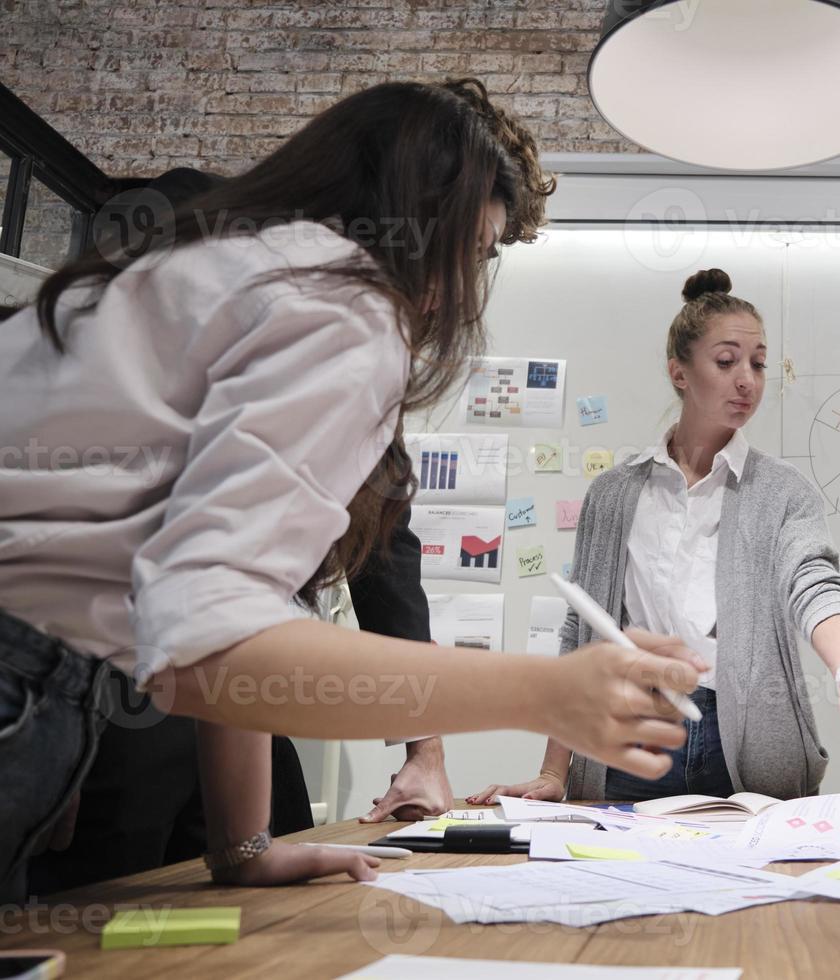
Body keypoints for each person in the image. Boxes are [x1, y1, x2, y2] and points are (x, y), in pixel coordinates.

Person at [0, 79, 702, 903]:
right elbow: (209, 653)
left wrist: (242, 847)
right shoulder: (342, 306)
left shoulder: (220, 268)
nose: (461, 289)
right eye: (478, 252)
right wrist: (547, 691)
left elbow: (221, 616)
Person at [472, 270, 840, 805]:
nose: (747, 379)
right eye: (726, 362)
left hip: (748, 742)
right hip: (632, 731)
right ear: (679, 373)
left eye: (758, 363)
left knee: (762, 882)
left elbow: (815, 581)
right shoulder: (613, 494)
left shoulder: (782, 491)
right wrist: (553, 772)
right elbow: (581, 631)